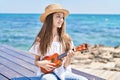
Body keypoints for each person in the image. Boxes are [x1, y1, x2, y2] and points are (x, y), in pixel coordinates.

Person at [29, 3, 88, 80]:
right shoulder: (41, 39)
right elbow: (36, 61)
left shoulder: (66, 39)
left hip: (63, 72)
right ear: (50, 19)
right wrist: (41, 64)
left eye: (62, 17)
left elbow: (66, 65)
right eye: (58, 16)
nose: (61, 20)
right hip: (47, 73)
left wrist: (69, 57)